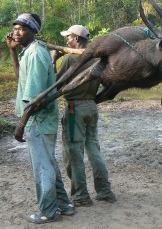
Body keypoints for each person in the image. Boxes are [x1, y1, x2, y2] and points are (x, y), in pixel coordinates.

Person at [6, 13, 74, 224]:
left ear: (33, 31)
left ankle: (48, 212)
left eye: (22, 28)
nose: (16, 32)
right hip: (41, 120)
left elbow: (35, 99)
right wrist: (13, 52)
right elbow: (22, 80)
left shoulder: (36, 54)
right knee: (49, 164)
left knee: (42, 167)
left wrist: (21, 124)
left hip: (38, 120)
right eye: (15, 28)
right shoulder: (29, 52)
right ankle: (64, 204)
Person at [52, 25, 116, 207]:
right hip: (91, 106)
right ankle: (104, 191)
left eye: (69, 37)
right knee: (94, 149)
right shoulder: (97, 60)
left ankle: (80, 195)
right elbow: (108, 83)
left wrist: (53, 60)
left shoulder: (71, 58)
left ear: (77, 39)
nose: (67, 40)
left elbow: (55, 84)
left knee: (73, 152)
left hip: (74, 109)